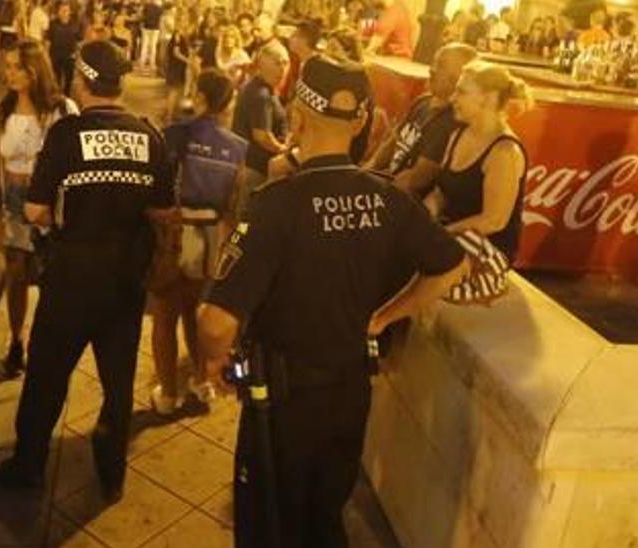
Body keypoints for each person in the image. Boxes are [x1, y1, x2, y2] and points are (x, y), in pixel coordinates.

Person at [196, 56, 470, 548]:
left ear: (297, 116)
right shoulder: (386, 198)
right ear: (362, 122)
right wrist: (384, 317)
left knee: (269, 523)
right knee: (323, 519)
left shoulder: (276, 204)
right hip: (349, 395)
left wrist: (214, 360)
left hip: (282, 403)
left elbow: (216, 322)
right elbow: (452, 265)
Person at [0, 41, 175, 501]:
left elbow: (34, 210)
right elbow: (166, 214)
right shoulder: (148, 135)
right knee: (117, 379)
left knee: (47, 376)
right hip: (124, 282)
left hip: (71, 278)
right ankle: (111, 469)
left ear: (82, 81)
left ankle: (28, 463)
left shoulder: (68, 134)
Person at [150, 69, 246, 415]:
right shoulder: (238, 148)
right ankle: (201, 382)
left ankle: (168, 396)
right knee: (194, 311)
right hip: (212, 240)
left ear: (200, 98)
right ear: (227, 103)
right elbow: (234, 205)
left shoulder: (175, 134)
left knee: (165, 316)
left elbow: (156, 186)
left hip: (175, 236)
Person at [0, 40, 79, 378]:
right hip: (13, 199)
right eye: (6, 66)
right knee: (16, 273)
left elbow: (72, 160)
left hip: (50, 198)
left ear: (35, 69)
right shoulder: (3, 109)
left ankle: (48, 341)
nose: (8, 74)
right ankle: (16, 341)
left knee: (52, 274)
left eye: (16, 67)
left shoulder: (62, 109)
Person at [425, 61, 530, 260]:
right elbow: (441, 193)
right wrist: (425, 215)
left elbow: (494, 221)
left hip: (487, 252)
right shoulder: (457, 134)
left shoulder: (504, 151)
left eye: (461, 92)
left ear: (488, 99)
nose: (453, 98)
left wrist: (440, 234)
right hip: (452, 237)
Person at [366, 43, 477, 192]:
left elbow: (418, 178)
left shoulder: (453, 120)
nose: (432, 70)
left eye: (441, 66)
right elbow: (391, 143)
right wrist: (363, 173)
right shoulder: (422, 102)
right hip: (385, 184)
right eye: (434, 63)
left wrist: (374, 190)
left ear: (460, 78)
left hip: (405, 200)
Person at [232, 41, 290, 195]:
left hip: (255, 167)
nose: (283, 69)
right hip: (255, 169)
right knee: (249, 214)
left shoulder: (264, 89)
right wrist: (284, 151)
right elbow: (262, 136)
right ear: (262, 65)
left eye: (286, 63)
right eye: (277, 63)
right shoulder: (261, 94)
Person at [45, 1, 82, 95]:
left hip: (70, 56)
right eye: (61, 10)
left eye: (66, 10)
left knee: (69, 78)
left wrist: (77, 54)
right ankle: (57, 96)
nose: (64, 13)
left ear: (70, 12)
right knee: (56, 78)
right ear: (58, 11)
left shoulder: (75, 24)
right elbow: (48, 40)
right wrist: (46, 55)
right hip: (55, 55)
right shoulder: (53, 23)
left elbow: (79, 40)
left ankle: (66, 96)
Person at [139, 0, 163, 72]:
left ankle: (142, 63)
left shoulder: (146, 6)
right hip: (156, 28)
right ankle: (152, 64)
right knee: (153, 47)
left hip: (146, 27)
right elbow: (160, 19)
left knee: (144, 46)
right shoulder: (159, 8)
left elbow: (142, 16)